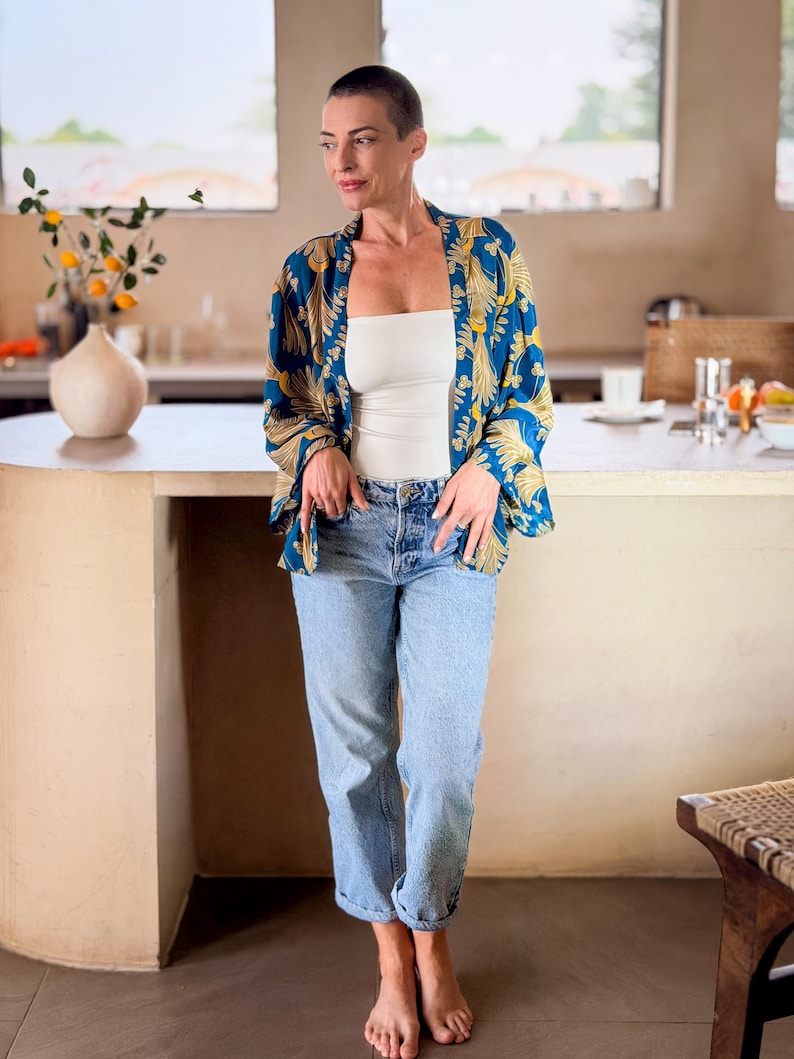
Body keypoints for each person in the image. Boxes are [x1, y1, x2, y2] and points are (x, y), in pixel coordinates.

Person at [263, 65, 554, 1059]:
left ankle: (434, 938)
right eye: (326, 143)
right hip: (340, 533)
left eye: (362, 140)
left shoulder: (485, 254)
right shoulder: (308, 272)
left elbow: (531, 394)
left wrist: (489, 464)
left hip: (450, 532)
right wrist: (317, 451)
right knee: (353, 759)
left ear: (412, 144)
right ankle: (392, 958)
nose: (340, 162)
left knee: (436, 757)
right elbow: (283, 404)